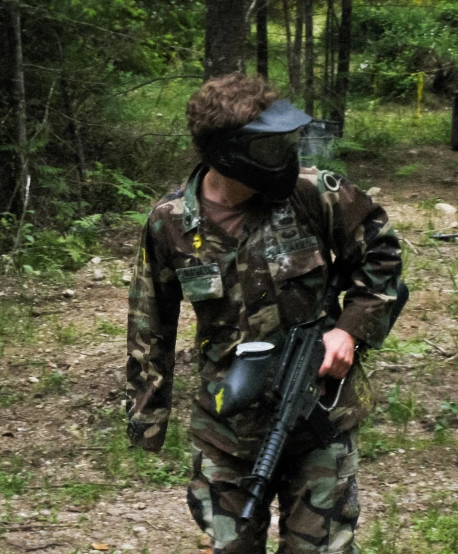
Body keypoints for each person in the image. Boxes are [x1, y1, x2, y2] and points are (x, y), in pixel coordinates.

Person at [125, 73, 402, 554]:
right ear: (227, 154)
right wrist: (148, 420)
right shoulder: (169, 222)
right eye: (270, 148)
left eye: (285, 143)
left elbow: (381, 258)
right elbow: (150, 321)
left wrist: (348, 332)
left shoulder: (314, 193)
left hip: (321, 411)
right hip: (228, 425)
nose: (286, 157)